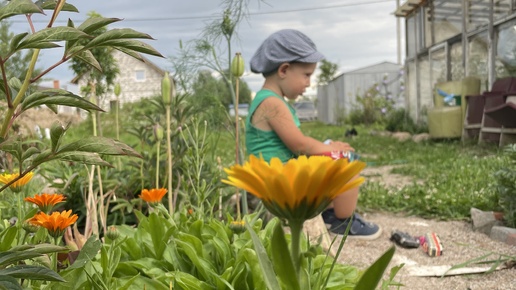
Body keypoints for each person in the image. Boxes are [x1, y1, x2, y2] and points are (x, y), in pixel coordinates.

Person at [245, 29, 381, 240]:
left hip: (281, 170)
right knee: (347, 162)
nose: (308, 83)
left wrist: (326, 145)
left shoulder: (270, 99)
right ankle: (343, 221)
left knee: (329, 151)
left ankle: (327, 210)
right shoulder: (272, 103)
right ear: (283, 70)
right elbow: (299, 145)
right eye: (306, 75)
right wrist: (331, 150)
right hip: (279, 179)